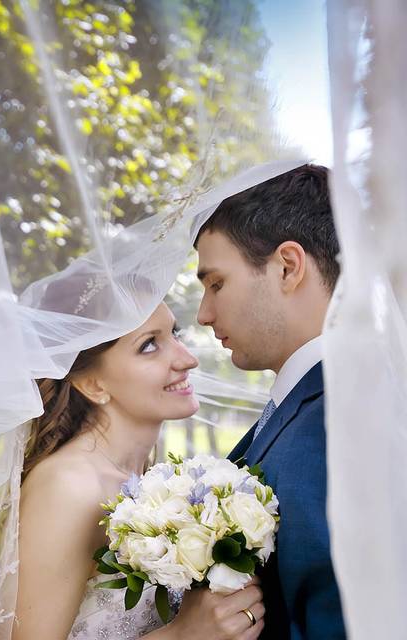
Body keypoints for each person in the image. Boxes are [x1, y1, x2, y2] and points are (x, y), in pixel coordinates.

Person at [15, 300, 266, 640]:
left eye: (175, 333)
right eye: (149, 345)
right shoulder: (68, 487)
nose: (187, 359)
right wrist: (183, 635)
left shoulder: (151, 481)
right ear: (93, 384)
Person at [195, 164, 346, 639]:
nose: (202, 314)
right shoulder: (301, 406)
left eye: (216, 283)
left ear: (287, 266)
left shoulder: (335, 419)